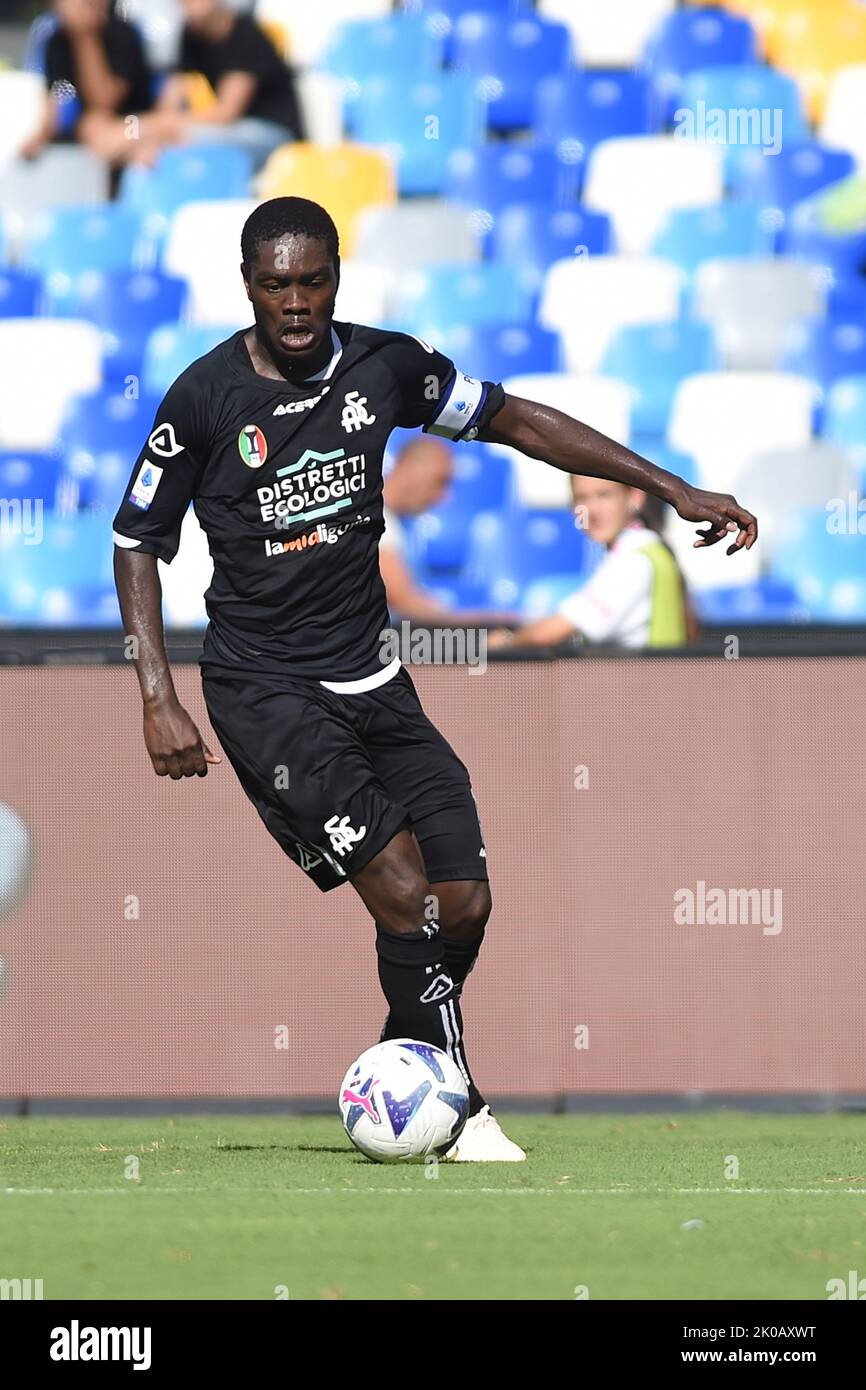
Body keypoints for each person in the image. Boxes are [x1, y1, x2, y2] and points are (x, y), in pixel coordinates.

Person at [112, 197, 758, 1160]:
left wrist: (671, 488)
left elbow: (516, 421)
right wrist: (158, 695)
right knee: (404, 890)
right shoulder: (202, 399)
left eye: (313, 280)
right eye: (275, 284)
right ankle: (462, 1114)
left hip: (377, 682)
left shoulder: (389, 365)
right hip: (265, 693)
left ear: (338, 273)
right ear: (247, 285)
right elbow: (135, 540)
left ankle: (402, 1063)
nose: (296, 302)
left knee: (463, 901)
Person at [51, 0, 303, 170]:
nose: (187, 6)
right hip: (218, 131)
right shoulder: (190, 37)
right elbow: (168, 105)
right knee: (160, 137)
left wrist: (134, 131)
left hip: (271, 135)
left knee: (176, 134)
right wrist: (144, 134)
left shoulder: (246, 35)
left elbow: (226, 112)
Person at [488, 474, 697, 651]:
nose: (592, 510)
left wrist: (505, 642)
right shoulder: (648, 548)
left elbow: (546, 635)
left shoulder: (633, 561)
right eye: (581, 498)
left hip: (641, 691)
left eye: (604, 495)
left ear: (634, 497)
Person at [19, 0, 154, 162]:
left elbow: (104, 101)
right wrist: (41, 135)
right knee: (90, 127)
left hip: (135, 124)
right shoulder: (56, 40)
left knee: (94, 126)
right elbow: (57, 95)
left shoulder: (122, 34)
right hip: (93, 134)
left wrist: (85, 37)